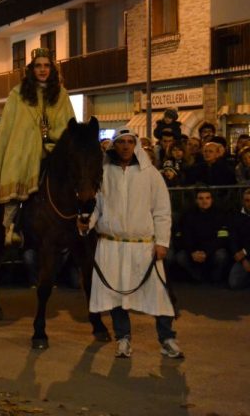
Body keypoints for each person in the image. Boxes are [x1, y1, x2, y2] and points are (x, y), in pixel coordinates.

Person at [80, 128, 183, 359]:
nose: (125, 146)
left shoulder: (150, 174)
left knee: (158, 295)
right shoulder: (104, 173)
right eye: (121, 142)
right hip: (111, 245)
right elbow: (97, 206)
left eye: (129, 142)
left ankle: (167, 339)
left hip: (143, 246)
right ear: (114, 146)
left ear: (135, 145)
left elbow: (162, 210)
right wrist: (88, 223)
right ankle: (123, 338)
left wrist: (162, 242)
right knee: (117, 295)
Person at [0, 48, 75, 233]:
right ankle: (10, 224)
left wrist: (51, 135)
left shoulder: (61, 94)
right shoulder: (18, 94)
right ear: (32, 69)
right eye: (38, 66)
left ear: (52, 69)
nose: (42, 70)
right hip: (23, 150)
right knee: (17, 167)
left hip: (54, 148)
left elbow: (68, 125)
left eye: (46, 66)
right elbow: (7, 128)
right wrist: (29, 138)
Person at [175, 188, 231, 284]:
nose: (204, 201)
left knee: (221, 255)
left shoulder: (221, 214)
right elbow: (185, 236)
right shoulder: (188, 215)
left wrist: (206, 252)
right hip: (194, 252)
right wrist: (192, 251)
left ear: (212, 200)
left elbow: (222, 238)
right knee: (180, 257)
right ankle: (198, 277)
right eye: (201, 198)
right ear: (196, 200)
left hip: (212, 250)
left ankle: (215, 279)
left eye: (207, 198)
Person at [229, 188, 250, 290]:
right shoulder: (236, 217)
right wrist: (243, 259)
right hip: (243, 256)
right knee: (234, 283)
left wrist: (245, 252)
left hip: (245, 252)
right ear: (243, 201)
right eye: (247, 200)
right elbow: (232, 239)